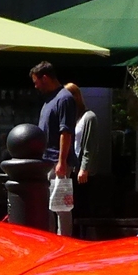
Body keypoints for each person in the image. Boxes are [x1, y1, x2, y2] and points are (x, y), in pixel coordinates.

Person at [29, 62, 87, 236]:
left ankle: (64, 239)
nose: (35, 85)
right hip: (48, 160)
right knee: (49, 204)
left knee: (61, 205)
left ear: (45, 77)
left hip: (57, 161)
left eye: (36, 81)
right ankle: (51, 238)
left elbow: (65, 132)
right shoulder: (50, 99)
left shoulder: (64, 98)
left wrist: (62, 161)